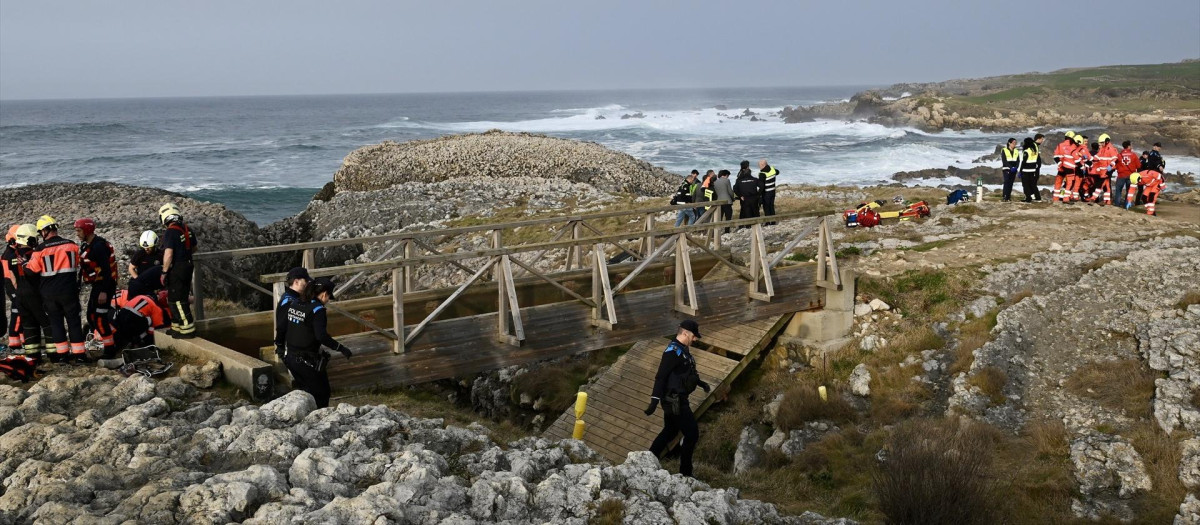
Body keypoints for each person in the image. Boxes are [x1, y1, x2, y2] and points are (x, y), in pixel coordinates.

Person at [645, 319, 710, 477]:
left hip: (677, 399)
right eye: (694, 336)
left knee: (670, 430)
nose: (695, 339)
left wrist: (701, 383)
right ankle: (686, 472)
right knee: (692, 433)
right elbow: (661, 377)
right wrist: (654, 400)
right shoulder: (672, 352)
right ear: (685, 333)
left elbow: (685, 372)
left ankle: (647, 461)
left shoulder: (683, 349)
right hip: (675, 401)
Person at [279, 276, 353, 408]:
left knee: (305, 392)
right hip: (306, 361)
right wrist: (341, 348)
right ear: (324, 294)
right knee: (322, 393)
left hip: (290, 357)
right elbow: (321, 336)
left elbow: (283, 327)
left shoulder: (295, 303)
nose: (328, 300)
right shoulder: (318, 310)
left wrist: (279, 347)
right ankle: (319, 422)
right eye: (329, 297)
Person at [23, 216, 86, 362]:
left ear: (45, 231)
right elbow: (79, 263)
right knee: (74, 322)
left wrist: (25, 263)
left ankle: (62, 356)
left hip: (50, 293)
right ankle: (80, 355)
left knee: (56, 323)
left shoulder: (40, 250)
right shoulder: (72, 245)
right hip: (70, 291)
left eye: (40, 232)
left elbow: (31, 271)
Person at [76, 218, 118, 356]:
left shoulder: (99, 246)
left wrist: (104, 292)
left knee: (99, 318)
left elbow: (106, 271)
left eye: (79, 230)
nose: (77, 233)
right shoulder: (88, 245)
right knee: (91, 316)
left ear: (87, 230)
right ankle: (113, 336)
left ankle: (110, 349)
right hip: (97, 285)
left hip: (104, 286)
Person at [8, 224, 50, 357]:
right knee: (47, 324)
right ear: (29, 239)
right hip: (35, 293)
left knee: (29, 326)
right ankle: (55, 355)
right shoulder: (33, 254)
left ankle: (33, 356)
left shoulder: (12, 256)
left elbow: (13, 275)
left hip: (20, 294)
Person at [159, 203, 198, 338]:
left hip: (177, 268)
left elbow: (168, 254)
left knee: (178, 300)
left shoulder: (170, 232)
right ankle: (176, 327)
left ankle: (187, 329)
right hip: (188, 265)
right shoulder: (187, 229)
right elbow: (194, 248)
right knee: (175, 297)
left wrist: (164, 272)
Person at [274, 267, 311, 361]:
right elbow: (281, 326)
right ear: (296, 282)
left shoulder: (290, 296)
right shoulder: (289, 302)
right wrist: (280, 346)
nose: (307, 283)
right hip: (293, 350)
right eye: (306, 280)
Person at [1091, 134, 1119, 205]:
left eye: (1102, 143)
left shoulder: (1111, 149)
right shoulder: (1102, 149)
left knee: (1100, 184)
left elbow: (1115, 159)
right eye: (1100, 143)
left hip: (1107, 171)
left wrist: (1110, 168)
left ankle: (1093, 198)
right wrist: (1089, 159)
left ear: (1106, 142)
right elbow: (1097, 157)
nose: (1100, 144)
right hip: (1102, 171)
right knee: (1107, 186)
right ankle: (1107, 201)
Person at [1052, 131, 1078, 203]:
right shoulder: (1074, 146)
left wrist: (1060, 163)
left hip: (1061, 167)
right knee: (1070, 183)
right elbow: (1076, 158)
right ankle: (1066, 199)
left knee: (1058, 182)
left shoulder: (1060, 145)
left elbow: (1056, 156)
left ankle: (1055, 198)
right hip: (1070, 167)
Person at [1114, 140, 1141, 208]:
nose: (1132, 146)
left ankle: (1117, 205)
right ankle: (1127, 205)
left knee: (1118, 191)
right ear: (1128, 146)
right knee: (1129, 191)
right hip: (1131, 175)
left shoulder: (1119, 155)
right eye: (1131, 145)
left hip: (1121, 175)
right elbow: (1138, 166)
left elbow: (1115, 165)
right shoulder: (1133, 155)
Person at [2, 226, 16, 351]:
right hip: (11, 285)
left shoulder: (10, 253)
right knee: (17, 312)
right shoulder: (9, 255)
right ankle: (14, 342)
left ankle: (17, 342)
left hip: (9, 285)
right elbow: (9, 274)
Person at [1019, 137, 1041, 202]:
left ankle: (1028, 198)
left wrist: (1020, 170)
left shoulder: (1026, 151)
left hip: (1026, 170)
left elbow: (1024, 162)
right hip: (1033, 170)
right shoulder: (1034, 151)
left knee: (1025, 185)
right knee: (1033, 184)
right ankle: (1038, 197)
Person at [758, 159, 779, 223]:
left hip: (766, 193)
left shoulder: (762, 174)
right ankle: (773, 221)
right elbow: (777, 172)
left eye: (759, 165)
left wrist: (759, 195)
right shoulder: (772, 169)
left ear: (763, 165)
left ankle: (768, 222)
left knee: (766, 207)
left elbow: (762, 186)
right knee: (771, 206)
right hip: (773, 191)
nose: (759, 167)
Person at [1031, 133, 1045, 200]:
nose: (1043, 141)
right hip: (1033, 168)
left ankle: (1033, 196)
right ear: (1038, 139)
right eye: (1042, 139)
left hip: (1036, 167)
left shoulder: (1036, 146)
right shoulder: (1033, 145)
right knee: (1033, 182)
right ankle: (1036, 197)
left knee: (1034, 182)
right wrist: (1035, 165)